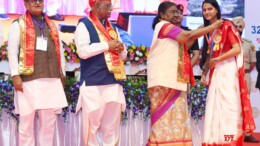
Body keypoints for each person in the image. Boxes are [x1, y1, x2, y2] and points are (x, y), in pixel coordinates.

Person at [147, 1, 223, 145]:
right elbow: (187, 36)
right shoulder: (163, 26)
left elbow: (187, 43)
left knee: (177, 117)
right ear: (162, 15)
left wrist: (203, 28)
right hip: (164, 80)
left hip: (173, 80)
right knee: (164, 119)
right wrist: (212, 27)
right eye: (172, 12)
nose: (176, 14)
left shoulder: (173, 30)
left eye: (177, 11)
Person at [7, 0, 68, 145]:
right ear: (26, 5)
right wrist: (15, 75)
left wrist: (62, 73)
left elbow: (60, 51)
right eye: (33, 1)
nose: (38, 3)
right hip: (28, 81)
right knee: (26, 124)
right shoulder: (18, 24)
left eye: (40, 0)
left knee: (48, 124)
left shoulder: (51, 25)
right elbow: (13, 52)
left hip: (51, 80)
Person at [200, 0, 256, 145]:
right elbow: (209, 55)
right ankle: (216, 140)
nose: (207, 12)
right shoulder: (210, 30)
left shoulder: (227, 25)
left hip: (228, 70)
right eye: (204, 9)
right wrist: (204, 73)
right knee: (215, 105)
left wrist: (218, 59)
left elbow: (237, 49)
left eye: (210, 9)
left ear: (217, 10)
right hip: (216, 70)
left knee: (229, 104)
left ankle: (229, 140)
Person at [74, 0, 127, 145]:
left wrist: (121, 49)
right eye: (107, 6)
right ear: (96, 6)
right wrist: (107, 46)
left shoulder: (113, 27)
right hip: (93, 83)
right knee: (91, 128)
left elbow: (124, 56)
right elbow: (83, 51)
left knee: (111, 128)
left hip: (113, 82)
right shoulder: (84, 25)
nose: (111, 9)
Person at [232, 16, 259, 143]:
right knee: (231, 104)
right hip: (230, 77)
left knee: (245, 105)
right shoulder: (226, 43)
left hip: (245, 76)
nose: (238, 29)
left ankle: (247, 133)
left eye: (240, 27)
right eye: (235, 26)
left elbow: (253, 63)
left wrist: (244, 71)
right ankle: (231, 133)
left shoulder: (248, 43)